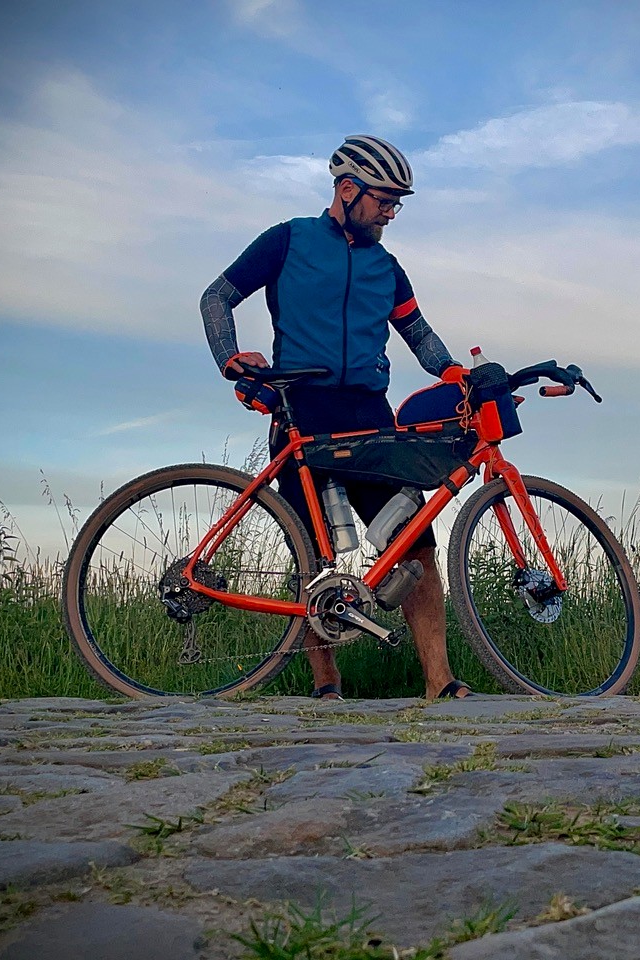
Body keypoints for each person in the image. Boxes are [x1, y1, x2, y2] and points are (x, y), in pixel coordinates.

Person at [199, 134, 471, 701]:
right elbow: (216, 296)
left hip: (369, 416)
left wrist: (453, 373)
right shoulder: (288, 240)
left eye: (397, 203)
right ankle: (326, 684)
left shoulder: (386, 267)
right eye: (384, 200)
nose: (391, 212)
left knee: (414, 543)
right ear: (347, 190)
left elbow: (418, 332)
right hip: (302, 408)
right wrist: (230, 355)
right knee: (312, 555)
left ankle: (439, 682)